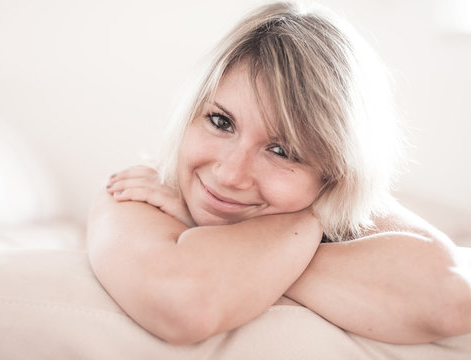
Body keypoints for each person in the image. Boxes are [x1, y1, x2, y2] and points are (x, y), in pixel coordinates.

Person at [87, 1, 471, 346]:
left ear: (334, 174)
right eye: (220, 122)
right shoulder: (135, 192)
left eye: (281, 150)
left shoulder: (327, 204)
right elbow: (185, 304)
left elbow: (452, 295)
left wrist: (287, 228)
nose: (231, 175)